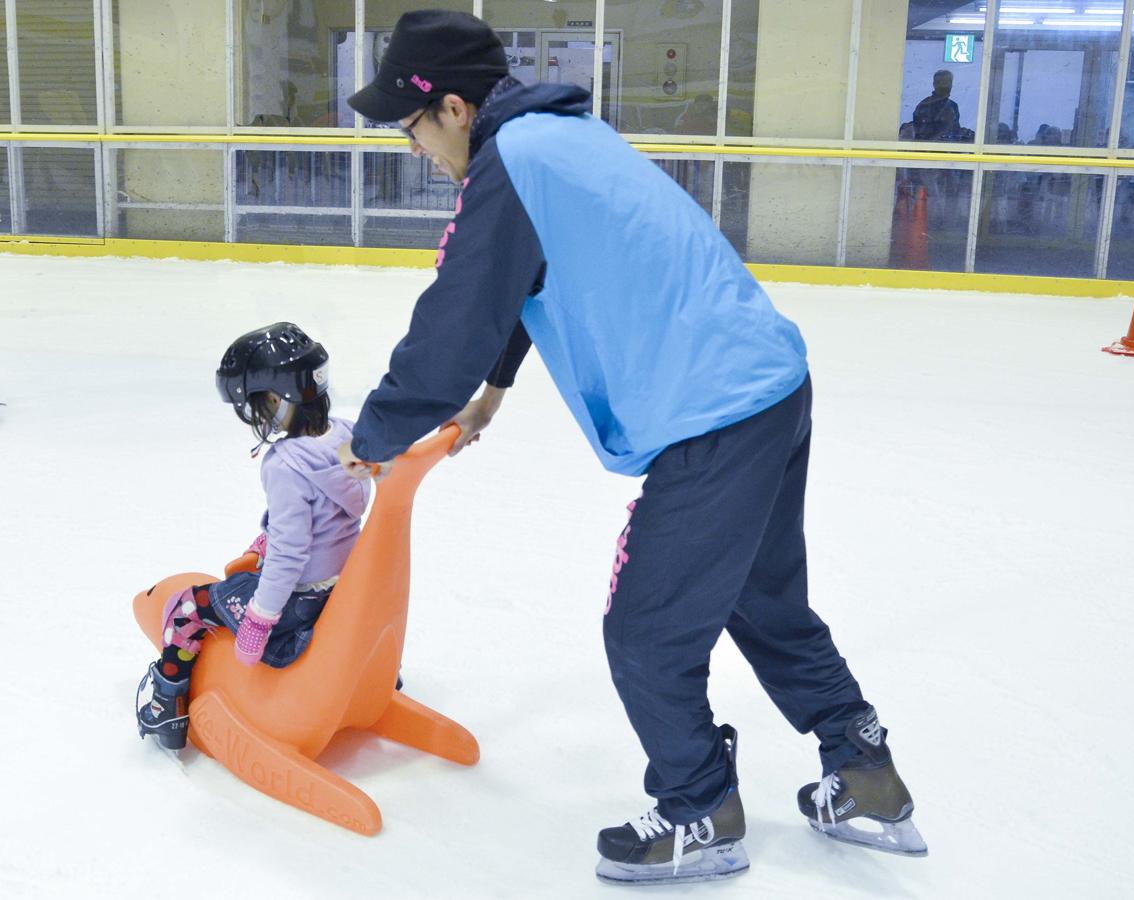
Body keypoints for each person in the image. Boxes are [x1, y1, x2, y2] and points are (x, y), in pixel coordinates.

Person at [339, 10, 926, 885]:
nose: (417, 149)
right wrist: (495, 391)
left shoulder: (514, 164)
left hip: (711, 412)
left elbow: (457, 317)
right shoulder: (558, 136)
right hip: (765, 383)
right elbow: (530, 277)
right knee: (762, 599)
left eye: (412, 127)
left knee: (647, 630)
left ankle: (700, 812)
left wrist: (369, 436)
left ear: (454, 109)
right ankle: (866, 772)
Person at [135, 323, 370, 751]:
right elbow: (327, 519)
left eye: (256, 407)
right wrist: (266, 539)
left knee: (189, 607)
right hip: (344, 595)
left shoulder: (286, 464)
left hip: (298, 604)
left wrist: (260, 619)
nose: (256, 418)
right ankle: (374, 676)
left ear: (279, 401)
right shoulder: (345, 435)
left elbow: (289, 557)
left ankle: (167, 706)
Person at [912, 69, 960, 141]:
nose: (945, 86)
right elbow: (923, 135)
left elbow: (956, 132)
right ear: (934, 84)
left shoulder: (953, 106)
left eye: (948, 82)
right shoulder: (925, 105)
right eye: (941, 82)